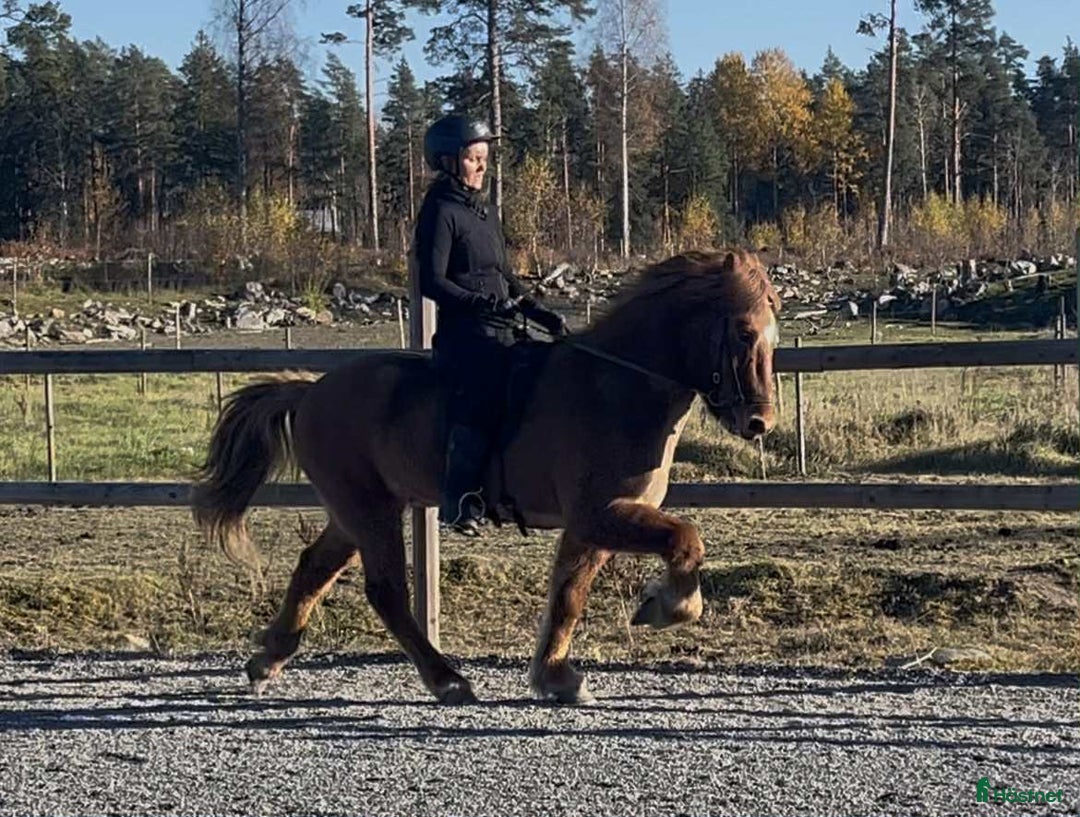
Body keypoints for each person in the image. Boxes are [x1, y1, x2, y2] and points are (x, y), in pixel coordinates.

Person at [414, 114, 568, 536]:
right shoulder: (439, 211)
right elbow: (432, 281)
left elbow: (504, 276)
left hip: (502, 329)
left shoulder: (484, 214)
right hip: (466, 337)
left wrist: (538, 311)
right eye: (473, 159)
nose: (482, 166)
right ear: (448, 162)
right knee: (482, 398)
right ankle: (459, 498)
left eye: (485, 158)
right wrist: (480, 303)